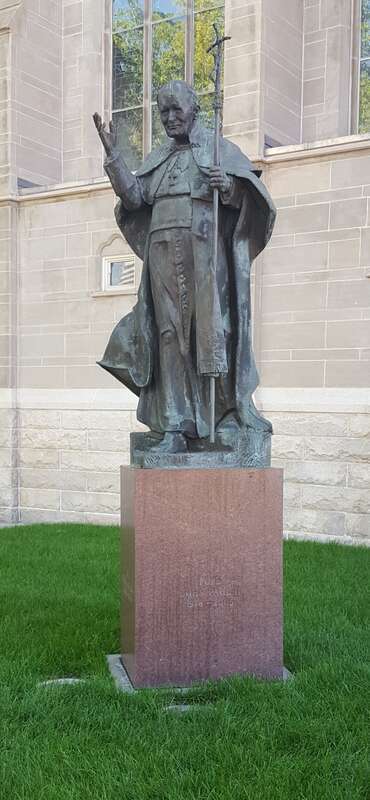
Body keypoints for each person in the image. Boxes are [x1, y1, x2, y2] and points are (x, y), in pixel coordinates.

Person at [93, 80, 276, 455]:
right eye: (164, 111)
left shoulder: (218, 149)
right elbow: (135, 198)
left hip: (204, 252)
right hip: (161, 253)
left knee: (214, 332)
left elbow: (254, 201)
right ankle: (175, 426)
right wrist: (115, 158)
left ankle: (223, 416)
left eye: (177, 109)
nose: (170, 117)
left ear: (195, 109)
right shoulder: (158, 157)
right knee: (168, 336)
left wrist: (228, 187)